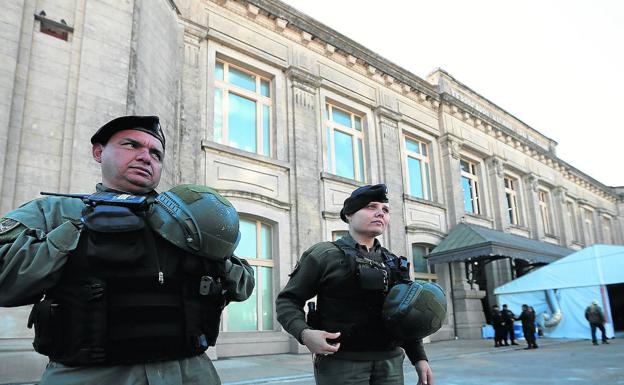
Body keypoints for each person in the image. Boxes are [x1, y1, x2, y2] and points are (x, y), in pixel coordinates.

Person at [0, 115, 255, 385]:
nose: (146, 157)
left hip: (191, 373)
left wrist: (213, 258)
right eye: (131, 145)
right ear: (99, 152)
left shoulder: (186, 220)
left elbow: (244, 283)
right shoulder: (54, 212)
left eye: (155, 153)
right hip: (92, 377)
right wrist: (80, 232)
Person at [276, 184, 436, 385]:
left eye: (385, 210)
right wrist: (305, 333)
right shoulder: (324, 255)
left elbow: (406, 316)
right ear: (349, 214)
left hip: (391, 363)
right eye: (371, 207)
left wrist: (419, 357)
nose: (380, 213)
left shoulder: (394, 263)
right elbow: (287, 301)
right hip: (341, 365)